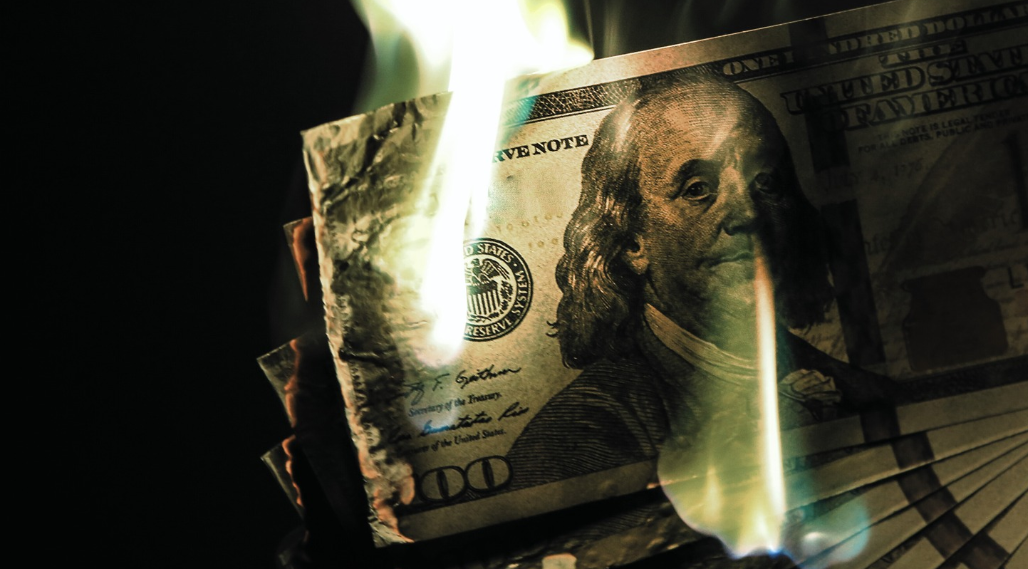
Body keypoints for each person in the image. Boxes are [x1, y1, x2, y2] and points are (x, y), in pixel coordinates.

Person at [505, 72, 898, 490]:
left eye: (766, 182)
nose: (748, 213)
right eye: (697, 188)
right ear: (632, 241)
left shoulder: (872, 395)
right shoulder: (577, 440)